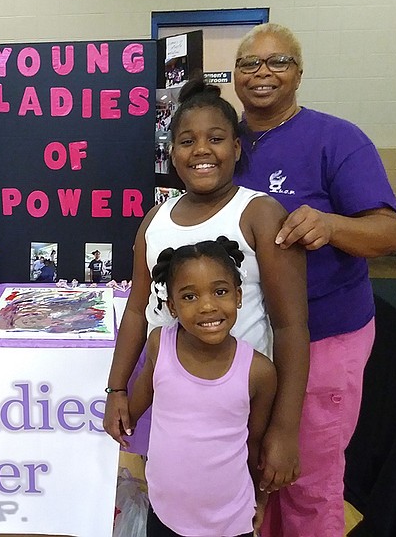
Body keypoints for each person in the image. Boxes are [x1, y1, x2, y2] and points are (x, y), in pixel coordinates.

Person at [231, 23, 396, 537]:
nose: (262, 73)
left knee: (306, 480)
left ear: (299, 74)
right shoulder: (224, 142)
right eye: (248, 63)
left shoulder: (337, 139)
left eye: (277, 62)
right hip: (250, 341)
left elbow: (389, 232)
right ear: (233, 76)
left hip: (326, 336)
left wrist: (331, 225)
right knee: (257, 475)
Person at [104, 79, 309, 499]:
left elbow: (291, 327)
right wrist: (118, 387)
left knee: (234, 507)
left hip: (236, 409)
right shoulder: (155, 220)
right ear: (172, 153)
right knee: (169, 493)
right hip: (172, 403)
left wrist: (285, 429)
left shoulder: (259, 213)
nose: (201, 150)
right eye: (186, 141)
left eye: (215, 138)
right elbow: (136, 311)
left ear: (236, 147)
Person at [128, 239, 276, 537]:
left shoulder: (259, 371)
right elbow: (135, 408)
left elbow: (254, 444)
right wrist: (116, 399)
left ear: (238, 296)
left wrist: (260, 498)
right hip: (164, 513)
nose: (207, 306)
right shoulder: (160, 344)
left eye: (219, 292)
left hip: (229, 522)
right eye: (189, 296)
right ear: (172, 306)